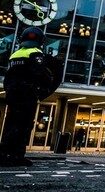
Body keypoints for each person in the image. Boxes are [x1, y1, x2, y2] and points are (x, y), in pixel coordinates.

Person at [0, 27, 62, 167]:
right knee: (24, 125)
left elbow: (8, 76)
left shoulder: (15, 54)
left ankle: (4, 153)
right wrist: (44, 90)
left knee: (11, 124)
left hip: (13, 94)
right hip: (27, 94)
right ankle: (16, 155)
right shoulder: (35, 54)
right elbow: (41, 74)